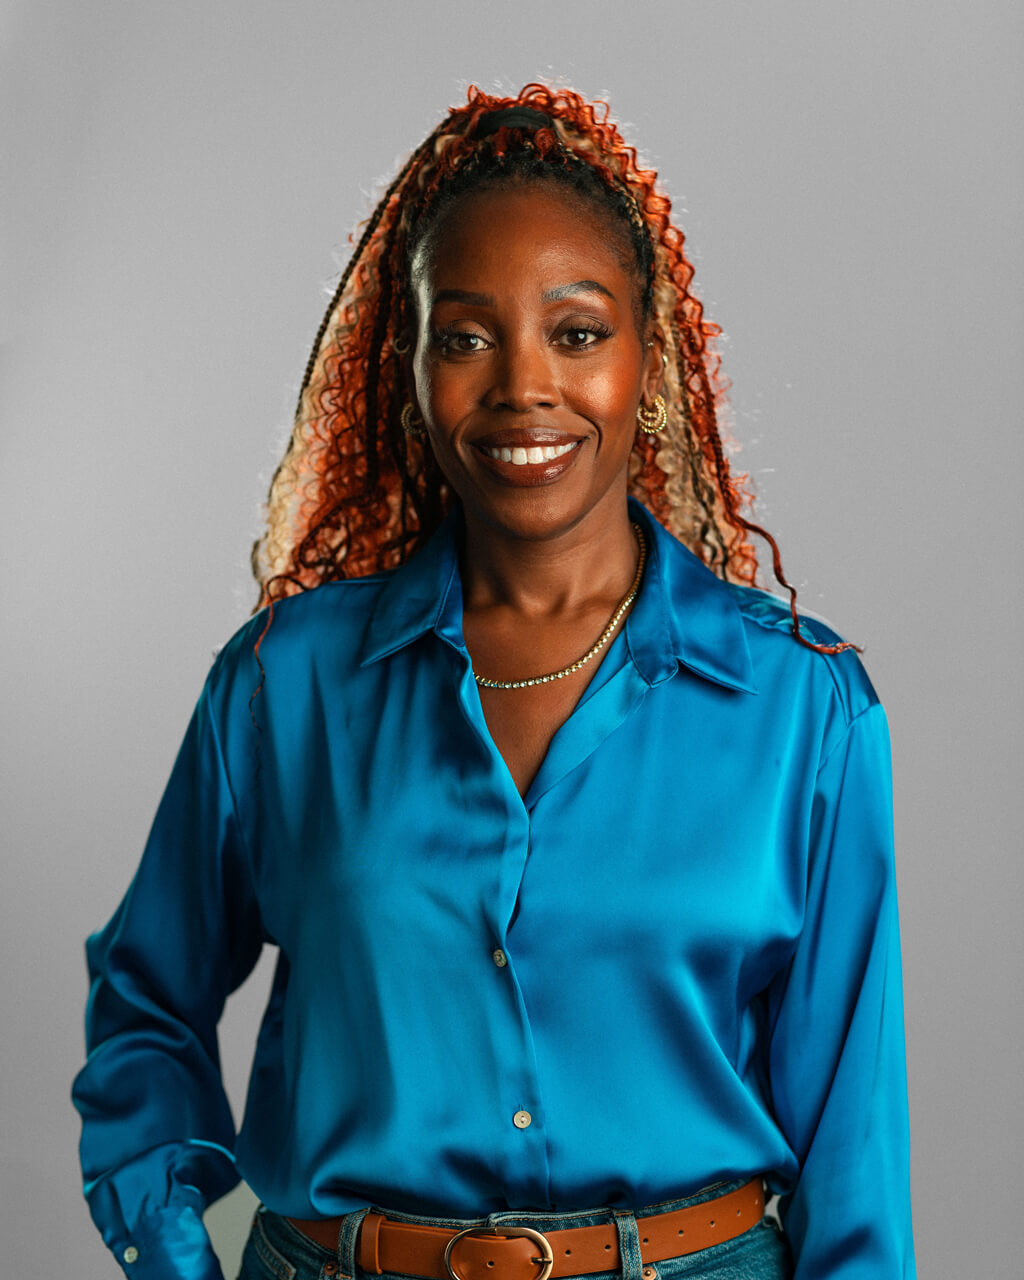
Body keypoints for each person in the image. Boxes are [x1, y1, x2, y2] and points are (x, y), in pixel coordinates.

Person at [72, 84, 916, 1280]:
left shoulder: (801, 708)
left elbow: (853, 1141)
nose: (524, 385)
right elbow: (146, 997)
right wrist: (172, 1245)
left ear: (648, 357)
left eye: (576, 333)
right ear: (408, 367)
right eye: (466, 337)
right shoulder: (282, 685)